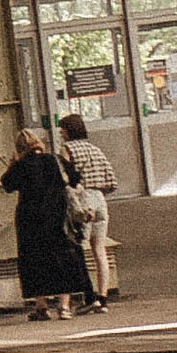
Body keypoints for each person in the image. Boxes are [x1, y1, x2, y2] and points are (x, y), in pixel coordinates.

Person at [2, 123, 94, 319]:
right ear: (38, 143)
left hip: (29, 218)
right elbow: (69, 180)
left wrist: (13, 163)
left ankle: (42, 306)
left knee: (34, 262)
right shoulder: (53, 160)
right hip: (56, 215)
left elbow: (7, 184)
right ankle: (64, 306)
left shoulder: (21, 165)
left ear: (19, 149)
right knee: (61, 259)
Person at [54, 108, 117, 305]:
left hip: (81, 200)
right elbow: (112, 179)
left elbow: (64, 177)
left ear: (68, 131)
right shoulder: (95, 149)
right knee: (99, 249)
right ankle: (103, 296)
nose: (61, 133)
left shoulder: (67, 149)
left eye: (62, 129)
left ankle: (87, 295)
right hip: (99, 199)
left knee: (78, 249)